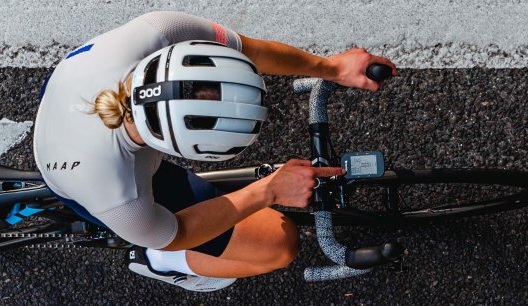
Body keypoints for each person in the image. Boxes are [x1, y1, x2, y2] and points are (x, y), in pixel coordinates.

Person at [32, 11, 397, 292]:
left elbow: (247, 49)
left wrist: (332, 67)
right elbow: (178, 231)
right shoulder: (116, 192)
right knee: (280, 246)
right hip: (79, 172)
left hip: (71, 91)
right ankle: (158, 262)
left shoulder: (158, 31)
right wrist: (268, 190)